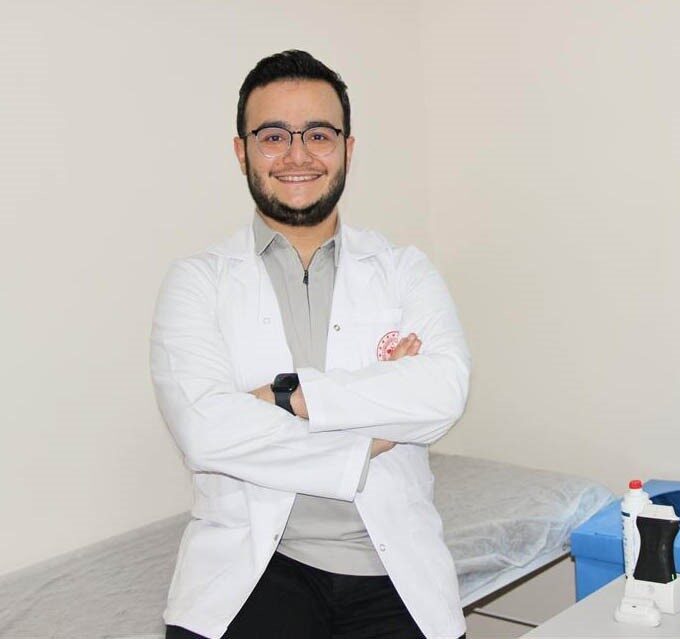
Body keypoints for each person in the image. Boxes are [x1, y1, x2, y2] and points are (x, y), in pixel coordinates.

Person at [150, 50, 470, 639]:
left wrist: (286, 397)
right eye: (273, 136)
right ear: (242, 151)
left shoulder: (404, 270)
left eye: (318, 135)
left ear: (348, 149)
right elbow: (205, 432)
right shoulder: (197, 281)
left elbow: (443, 393)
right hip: (252, 569)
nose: (297, 156)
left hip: (391, 569)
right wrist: (373, 435)